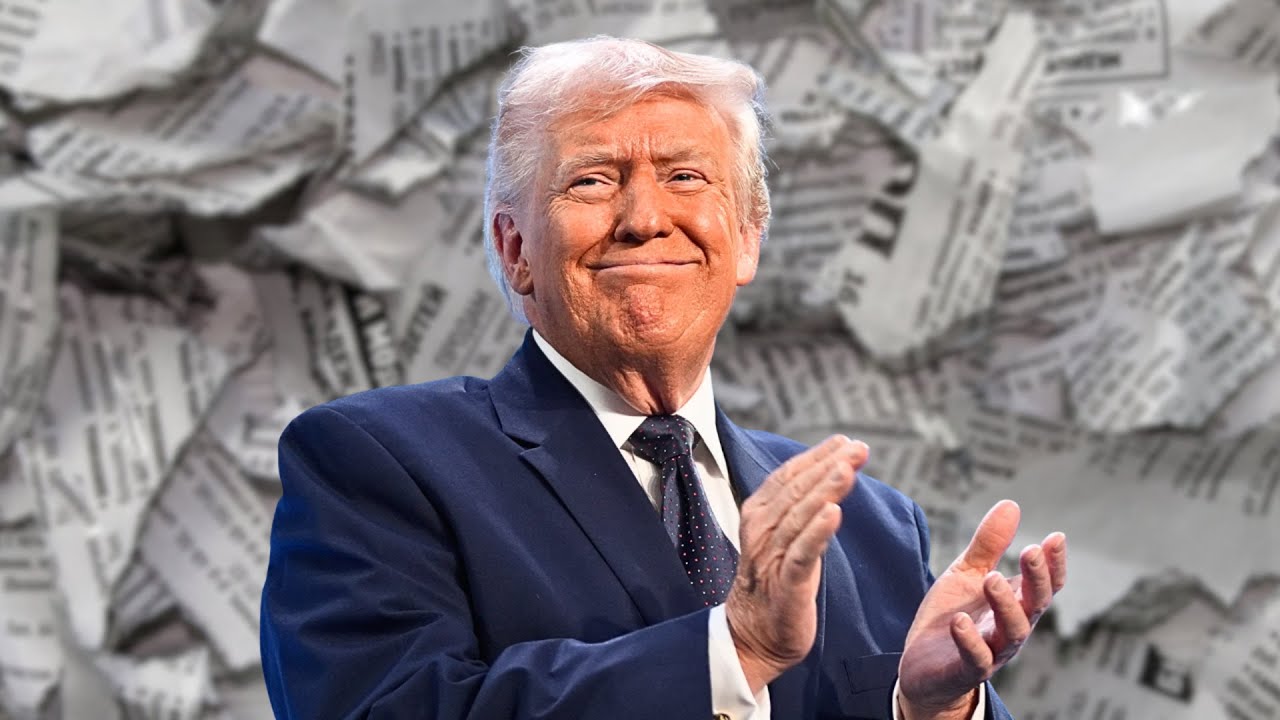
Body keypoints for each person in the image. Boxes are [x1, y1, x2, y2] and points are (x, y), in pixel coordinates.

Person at [259, 36, 1067, 720]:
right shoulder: (376, 463)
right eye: (592, 180)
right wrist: (732, 650)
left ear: (746, 240)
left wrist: (930, 709)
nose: (645, 219)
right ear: (515, 249)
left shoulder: (873, 526)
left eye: (686, 177)